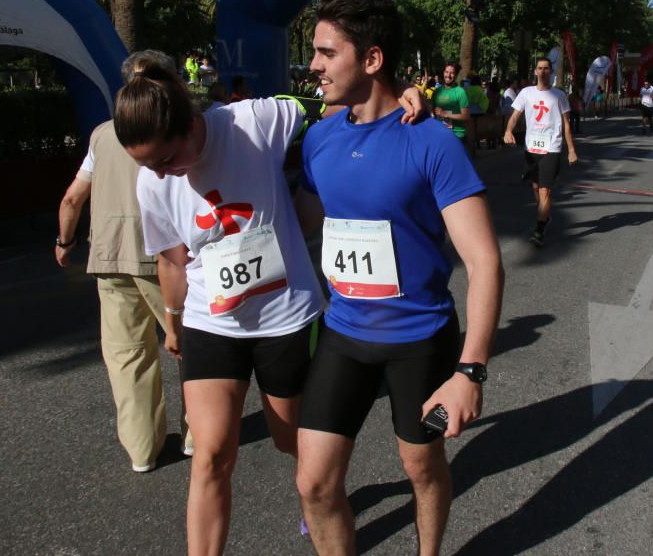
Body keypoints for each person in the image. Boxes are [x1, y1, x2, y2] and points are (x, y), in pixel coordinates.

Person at [113, 59, 425, 555]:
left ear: (191, 125)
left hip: (286, 319)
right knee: (212, 454)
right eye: (147, 165)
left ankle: (319, 502)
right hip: (210, 322)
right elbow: (174, 261)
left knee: (290, 441)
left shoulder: (250, 121)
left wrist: (400, 92)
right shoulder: (153, 181)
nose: (160, 173)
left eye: (166, 159)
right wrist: (172, 323)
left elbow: (335, 97)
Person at [293, 0, 504, 556]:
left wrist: (471, 372)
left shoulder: (431, 141)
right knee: (313, 484)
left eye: (325, 53)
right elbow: (302, 219)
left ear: (372, 59)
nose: (312, 65)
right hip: (343, 335)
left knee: (421, 467)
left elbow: (484, 261)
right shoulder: (319, 137)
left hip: (419, 341)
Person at [56, 49, 191, 474]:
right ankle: (196, 434)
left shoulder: (101, 135)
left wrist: (65, 240)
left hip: (109, 254)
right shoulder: (178, 127)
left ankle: (142, 450)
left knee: (126, 355)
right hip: (163, 255)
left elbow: (73, 197)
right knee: (188, 346)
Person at [502, 58, 578, 247]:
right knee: (535, 187)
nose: (543, 71)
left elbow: (567, 124)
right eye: (540, 68)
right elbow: (515, 116)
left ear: (551, 72)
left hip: (551, 147)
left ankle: (539, 230)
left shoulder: (559, 95)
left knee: (545, 190)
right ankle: (544, 217)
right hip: (531, 148)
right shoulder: (526, 93)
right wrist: (508, 131)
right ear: (535, 71)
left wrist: (571, 150)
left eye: (546, 69)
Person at [432, 62, 471, 148]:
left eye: (452, 73)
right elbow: (433, 113)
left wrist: (446, 114)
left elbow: (466, 116)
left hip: (456, 135)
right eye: (446, 72)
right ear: (443, 72)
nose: (448, 75)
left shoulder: (460, 92)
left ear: (456, 75)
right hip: (440, 135)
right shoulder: (437, 92)